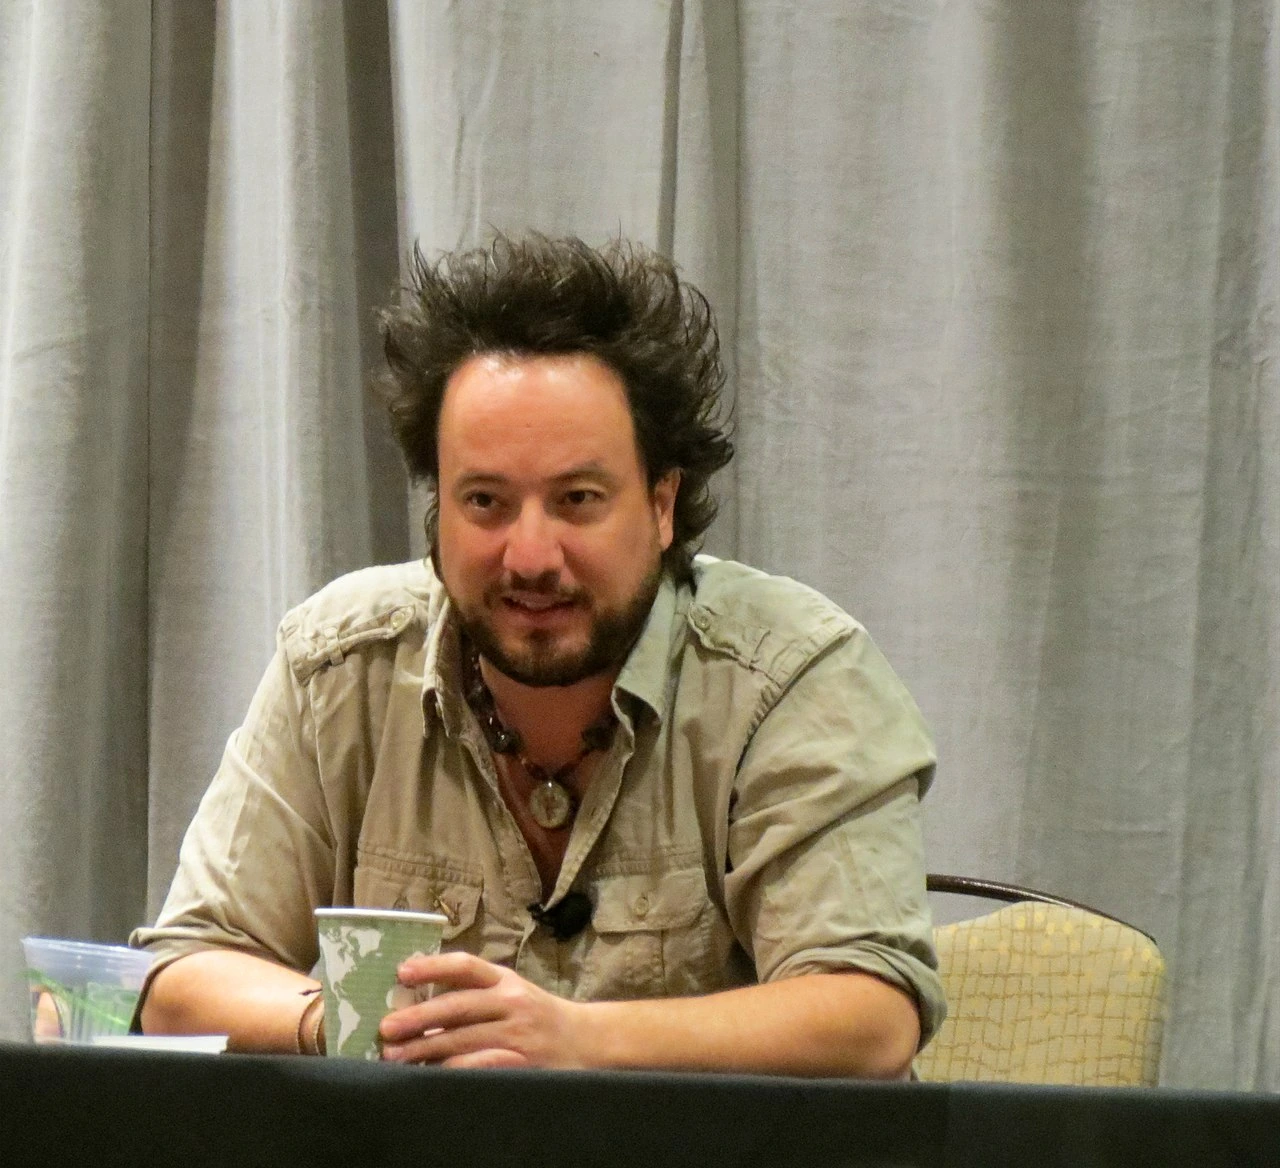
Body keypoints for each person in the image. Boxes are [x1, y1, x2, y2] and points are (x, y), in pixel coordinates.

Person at [133, 233, 944, 1077]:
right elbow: (181, 973)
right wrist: (352, 1024)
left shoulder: (794, 677)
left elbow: (868, 1011)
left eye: (577, 500)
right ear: (437, 509)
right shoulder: (341, 666)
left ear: (662, 504)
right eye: (484, 501)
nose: (529, 555)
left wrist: (570, 1039)